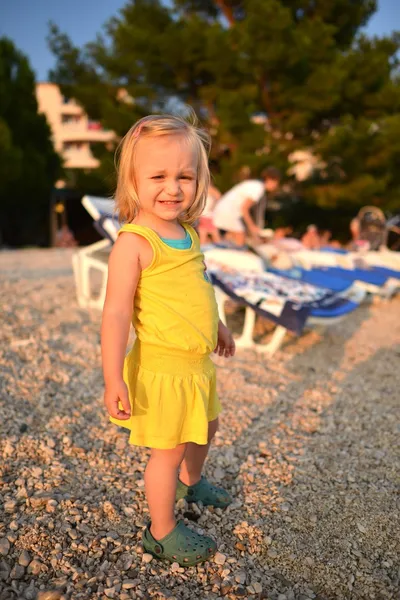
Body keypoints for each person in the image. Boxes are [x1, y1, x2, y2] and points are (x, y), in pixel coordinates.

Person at [101, 114, 236, 567]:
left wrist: (217, 323)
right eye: (158, 176)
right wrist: (113, 377)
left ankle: (191, 481)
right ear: (133, 181)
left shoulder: (189, 233)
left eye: (184, 176)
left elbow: (198, 285)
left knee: (207, 427)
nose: (172, 188)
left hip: (198, 365)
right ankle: (161, 530)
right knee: (168, 448)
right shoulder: (135, 243)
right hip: (164, 368)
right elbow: (116, 312)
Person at [212, 167, 281, 246]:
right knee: (240, 240)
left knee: (231, 238)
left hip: (224, 210)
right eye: (276, 182)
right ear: (269, 179)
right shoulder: (258, 189)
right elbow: (244, 209)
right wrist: (252, 227)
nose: (276, 185)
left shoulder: (255, 185)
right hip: (228, 213)